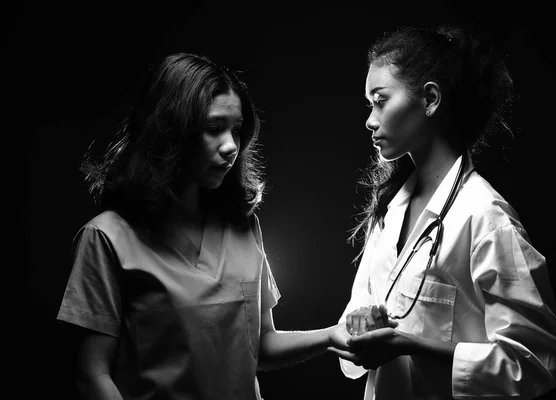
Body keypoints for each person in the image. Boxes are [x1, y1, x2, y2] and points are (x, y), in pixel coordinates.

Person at [56, 52, 351, 400]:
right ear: (170, 131)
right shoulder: (107, 238)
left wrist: (333, 335)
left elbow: (260, 347)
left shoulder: (244, 227)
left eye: (237, 130)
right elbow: (93, 375)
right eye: (214, 129)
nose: (230, 146)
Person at [327, 24, 556, 399]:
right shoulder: (391, 209)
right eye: (369, 104)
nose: (370, 120)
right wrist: (361, 323)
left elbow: (536, 362)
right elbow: (356, 318)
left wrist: (411, 345)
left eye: (381, 99)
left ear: (430, 99)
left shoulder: (487, 219)